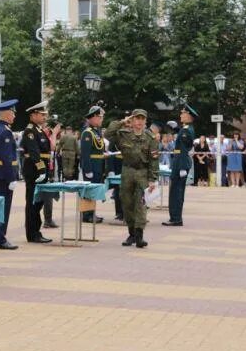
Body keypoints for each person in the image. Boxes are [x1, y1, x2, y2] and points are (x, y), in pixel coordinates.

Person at [107, 109, 159, 248]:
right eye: (137, 118)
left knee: (141, 204)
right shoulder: (124, 134)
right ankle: (131, 234)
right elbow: (108, 133)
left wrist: (152, 179)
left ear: (145, 121)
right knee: (127, 202)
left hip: (142, 172)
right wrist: (123, 122)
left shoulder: (150, 138)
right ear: (132, 120)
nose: (140, 121)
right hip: (127, 171)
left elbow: (154, 160)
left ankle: (139, 235)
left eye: (142, 119)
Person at [0, 99, 20, 250]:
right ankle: (0, 239)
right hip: (4, 175)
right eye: (12, 113)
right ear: (7, 114)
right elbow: (7, 157)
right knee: (3, 207)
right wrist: (11, 178)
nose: (14, 115)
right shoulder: (5, 132)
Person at [20, 101, 52, 244]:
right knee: (33, 202)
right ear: (33, 115)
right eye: (42, 114)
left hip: (40, 169)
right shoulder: (30, 131)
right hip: (34, 170)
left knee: (38, 201)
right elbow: (34, 153)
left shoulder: (39, 130)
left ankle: (36, 231)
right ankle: (32, 233)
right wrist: (42, 170)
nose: (44, 117)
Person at [164, 104, 195, 227]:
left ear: (189, 116)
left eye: (183, 113)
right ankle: (174, 217)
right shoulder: (185, 129)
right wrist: (177, 129)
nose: (181, 115)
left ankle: (176, 218)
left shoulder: (187, 130)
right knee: (175, 191)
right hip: (178, 161)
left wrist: (182, 167)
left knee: (177, 192)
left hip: (181, 162)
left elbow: (183, 149)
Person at [79, 105, 106, 225]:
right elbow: (85, 153)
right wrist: (88, 169)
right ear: (94, 117)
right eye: (100, 117)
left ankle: (91, 213)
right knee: (89, 191)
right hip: (91, 166)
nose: (101, 120)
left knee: (94, 191)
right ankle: (87, 214)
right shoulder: (87, 133)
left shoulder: (96, 132)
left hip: (98, 165)